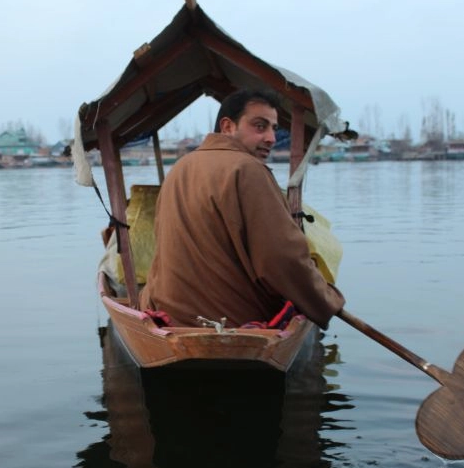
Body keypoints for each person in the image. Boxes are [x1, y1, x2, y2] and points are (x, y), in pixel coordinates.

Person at [139, 89, 345, 329]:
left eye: (273, 129)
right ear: (228, 127)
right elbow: (282, 259)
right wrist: (325, 301)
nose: (271, 138)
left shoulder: (180, 167)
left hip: (171, 315)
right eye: (260, 126)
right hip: (232, 320)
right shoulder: (248, 169)